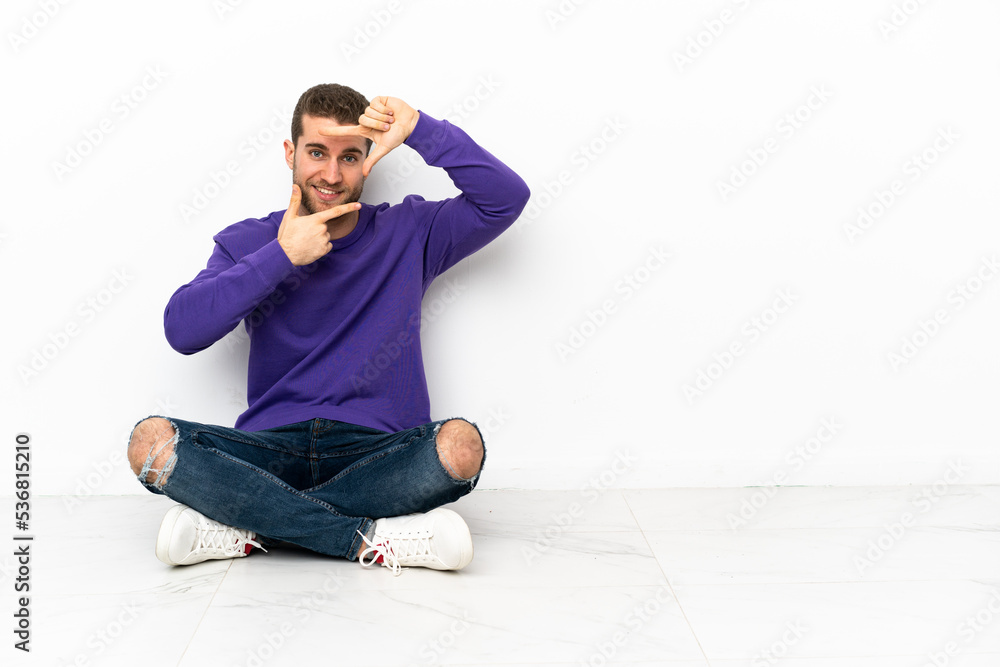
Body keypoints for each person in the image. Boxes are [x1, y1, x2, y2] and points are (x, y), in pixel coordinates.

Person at [126, 83, 529, 575]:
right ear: (291, 152)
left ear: (369, 159)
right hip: (270, 450)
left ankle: (249, 521)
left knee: (460, 447)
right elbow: (183, 331)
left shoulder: (409, 232)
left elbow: (505, 199)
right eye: (317, 152)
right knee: (149, 442)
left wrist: (421, 128)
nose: (332, 174)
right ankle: (369, 539)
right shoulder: (250, 241)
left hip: (377, 455)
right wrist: (281, 257)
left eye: (350, 157)